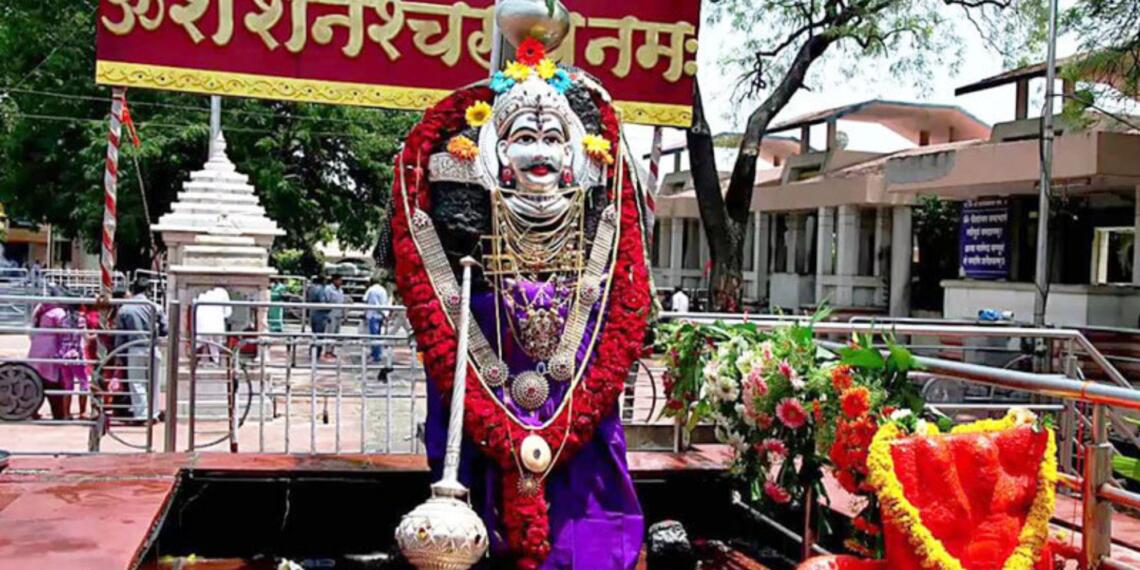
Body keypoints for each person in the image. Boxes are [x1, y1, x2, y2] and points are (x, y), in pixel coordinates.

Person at [27, 295, 86, 420]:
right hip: (52, 348)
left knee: (38, 380)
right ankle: (60, 413)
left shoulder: (40, 311)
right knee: (55, 382)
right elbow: (68, 332)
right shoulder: (59, 313)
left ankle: (33, 410)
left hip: (37, 347)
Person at [115, 278, 163, 423]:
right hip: (153, 347)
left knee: (137, 382)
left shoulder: (125, 308)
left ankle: (141, 414)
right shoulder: (156, 307)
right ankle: (153, 413)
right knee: (154, 382)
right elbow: (165, 329)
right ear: (148, 290)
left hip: (134, 348)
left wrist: (118, 354)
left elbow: (120, 334)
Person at [194, 286, 232, 364]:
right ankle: (216, 362)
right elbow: (228, 312)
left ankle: (195, 364)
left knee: (201, 343)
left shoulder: (201, 294)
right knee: (216, 344)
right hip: (215, 324)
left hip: (202, 325)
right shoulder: (223, 293)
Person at [363, 278, 389, 364]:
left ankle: (376, 355)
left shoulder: (372, 290)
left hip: (373, 315)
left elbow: (373, 303)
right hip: (380, 315)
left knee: (374, 336)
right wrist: (385, 314)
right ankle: (376, 353)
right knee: (377, 335)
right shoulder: (383, 290)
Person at [306, 276, 330, 359]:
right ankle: (317, 354)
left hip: (313, 313)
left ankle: (312, 352)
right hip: (320, 314)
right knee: (319, 335)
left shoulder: (311, 289)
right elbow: (322, 302)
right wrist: (329, 309)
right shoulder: (321, 289)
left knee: (314, 334)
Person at [324, 275, 346, 360]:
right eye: (339, 280)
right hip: (331, 313)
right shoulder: (328, 289)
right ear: (334, 280)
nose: (340, 282)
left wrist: (344, 315)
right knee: (330, 332)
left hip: (338, 314)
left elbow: (342, 302)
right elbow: (326, 301)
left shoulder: (341, 290)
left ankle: (332, 351)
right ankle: (327, 351)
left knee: (336, 333)